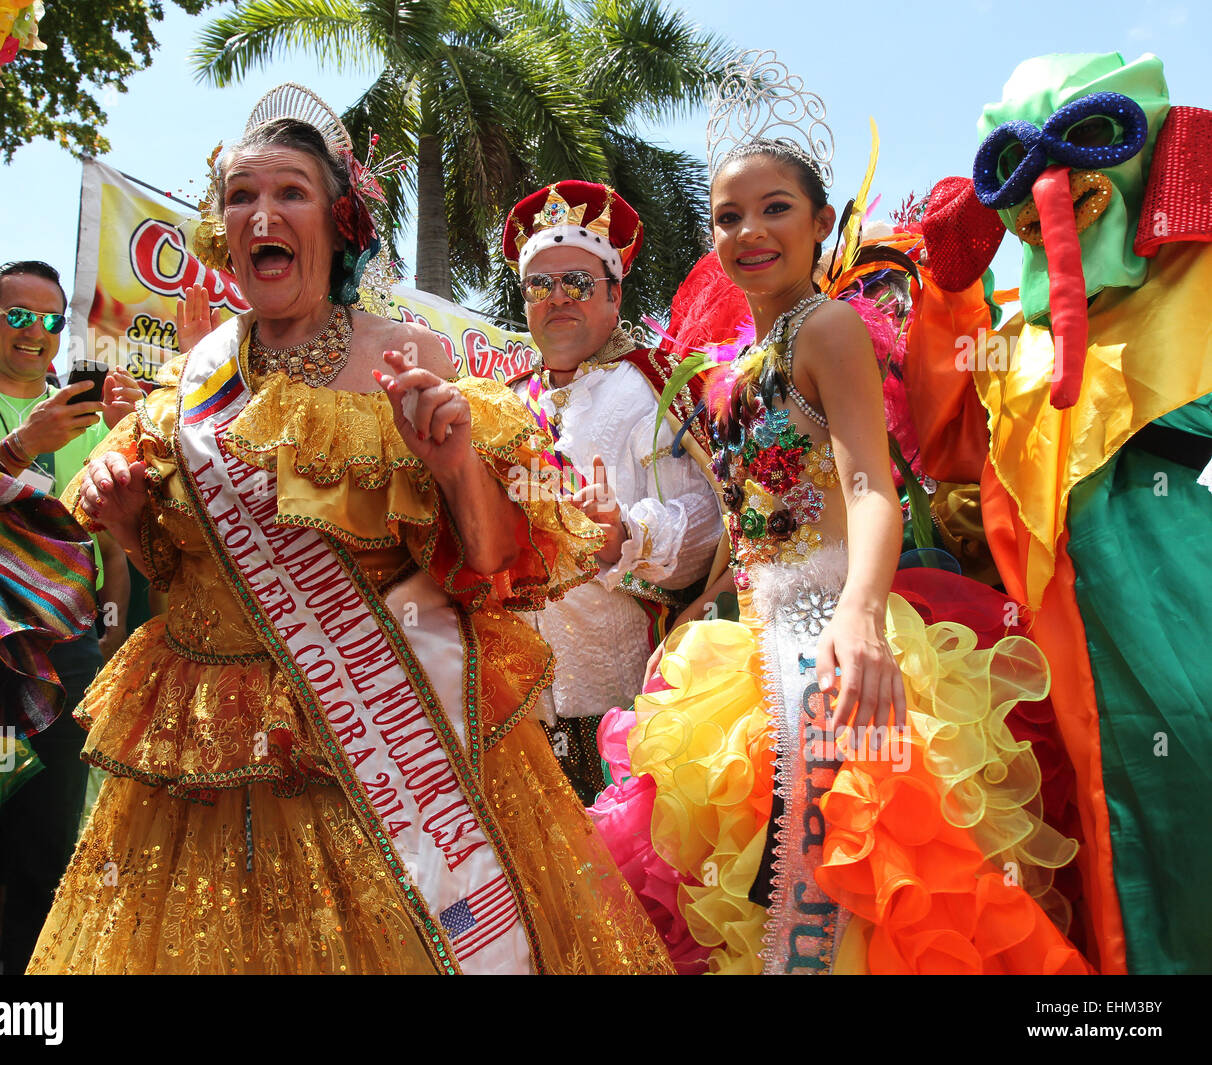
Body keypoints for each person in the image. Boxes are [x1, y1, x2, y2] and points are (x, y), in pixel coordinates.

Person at [26, 84, 673, 975]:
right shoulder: (187, 387)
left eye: (289, 191)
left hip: (385, 763)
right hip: (210, 764)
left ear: (337, 222)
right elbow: (176, 578)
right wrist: (131, 520)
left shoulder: (414, 359)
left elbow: (490, 566)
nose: (262, 212)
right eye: (241, 194)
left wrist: (452, 466)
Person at [590, 54, 1087, 975]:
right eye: (728, 215)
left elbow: (868, 487)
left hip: (830, 638)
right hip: (752, 650)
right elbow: (753, 525)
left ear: (823, 222)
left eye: (775, 207)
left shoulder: (828, 328)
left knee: (869, 889)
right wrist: (702, 611)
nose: (750, 230)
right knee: (758, 887)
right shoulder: (740, 362)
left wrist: (858, 616)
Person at [919, 52, 1212, 974]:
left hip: (1184, 597)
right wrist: (954, 284)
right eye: (1017, 158)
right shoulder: (1014, 345)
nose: (1057, 179)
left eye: (1092, 138)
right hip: (1067, 652)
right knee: (1106, 835)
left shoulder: (1198, 288)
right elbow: (949, 445)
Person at [0, 260, 130, 974]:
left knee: (50, 843)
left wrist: (110, 621)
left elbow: (108, 530)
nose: (35, 333)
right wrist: (26, 443)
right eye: (18, 315)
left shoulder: (82, 415)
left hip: (67, 651)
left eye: (49, 320)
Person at [503, 181, 723, 804]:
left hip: (622, 704)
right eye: (539, 285)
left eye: (576, 280)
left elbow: (714, 519)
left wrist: (626, 533)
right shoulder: (508, 400)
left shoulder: (653, 386)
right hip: (517, 705)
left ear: (615, 292)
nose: (557, 299)